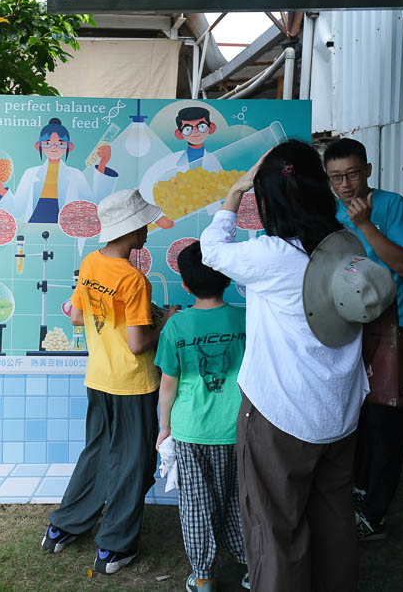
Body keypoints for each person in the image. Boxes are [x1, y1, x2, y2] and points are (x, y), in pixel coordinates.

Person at [200, 140, 376, 592]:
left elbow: (212, 250)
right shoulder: (344, 246)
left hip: (281, 415)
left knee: (275, 525)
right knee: (334, 519)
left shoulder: (272, 254)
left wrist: (234, 193)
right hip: (339, 412)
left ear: (268, 199)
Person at [41, 188, 177, 575]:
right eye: (145, 224)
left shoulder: (91, 263)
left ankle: (61, 528)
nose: (148, 229)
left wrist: (138, 316)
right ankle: (114, 548)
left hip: (98, 378)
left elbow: (78, 317)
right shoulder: (134, 280)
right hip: (133, 384)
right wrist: (163, 321)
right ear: (132, 230)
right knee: (134, 462)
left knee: (98, 452)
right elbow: (137, 345)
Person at [322, 137, 403, 541]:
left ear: (367, 170)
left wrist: (364, 225)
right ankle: (358, 493)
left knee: (387, 423)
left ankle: (376, 513)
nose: (344, 185)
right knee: (354, 419)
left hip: (393, 333)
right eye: (335, 177)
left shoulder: (392, 206)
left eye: (350, 174)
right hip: (348, 332)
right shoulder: (329, 211)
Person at [155, 241, 249, 592]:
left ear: (185, 285)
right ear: (226, 278)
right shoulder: (245, 317)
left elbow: (168, 384)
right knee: (241, 498)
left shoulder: (176, 326)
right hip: (238, 427)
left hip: (190, 429)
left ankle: (204, 576)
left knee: (196, 503)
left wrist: (164, 428)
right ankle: (253, 565)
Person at [0, 117, 118, 223]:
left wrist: (103, 164)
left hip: (66, 226)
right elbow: (17, 210)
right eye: (49, 143)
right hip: (35, 223)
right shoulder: (30, 173)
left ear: (70, 146)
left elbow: (93, 206)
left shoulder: (75, 174)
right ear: (39, 146)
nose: (54, 147)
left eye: (61, 143)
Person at [139, 105, 223, 228]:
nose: (195, 131)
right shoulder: (169, 162)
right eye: (188, 128)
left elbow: (220, 193)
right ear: (179, 133)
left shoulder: (213, 160)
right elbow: (146, 184)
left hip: (205, 221)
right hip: (175, 221)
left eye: (201, 127)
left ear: (211, 128)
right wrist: (158, 217)